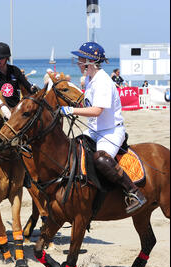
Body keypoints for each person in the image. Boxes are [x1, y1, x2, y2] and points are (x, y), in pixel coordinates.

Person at [61, 41, 146, 214]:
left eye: (81, 59)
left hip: (111, 131)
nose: (78, 62)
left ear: (90, 62)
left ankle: (133, 192)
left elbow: (97, 110)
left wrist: (71, 110)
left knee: (100, 159)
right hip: (94, 131)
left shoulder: (103, 82)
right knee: (72, 149)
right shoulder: (90, 79)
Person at [0, 42, 36, 108]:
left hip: (13, 109)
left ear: (6, 58)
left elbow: (28, 87)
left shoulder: (15, 70)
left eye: (0, 58)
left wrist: (34, 89)